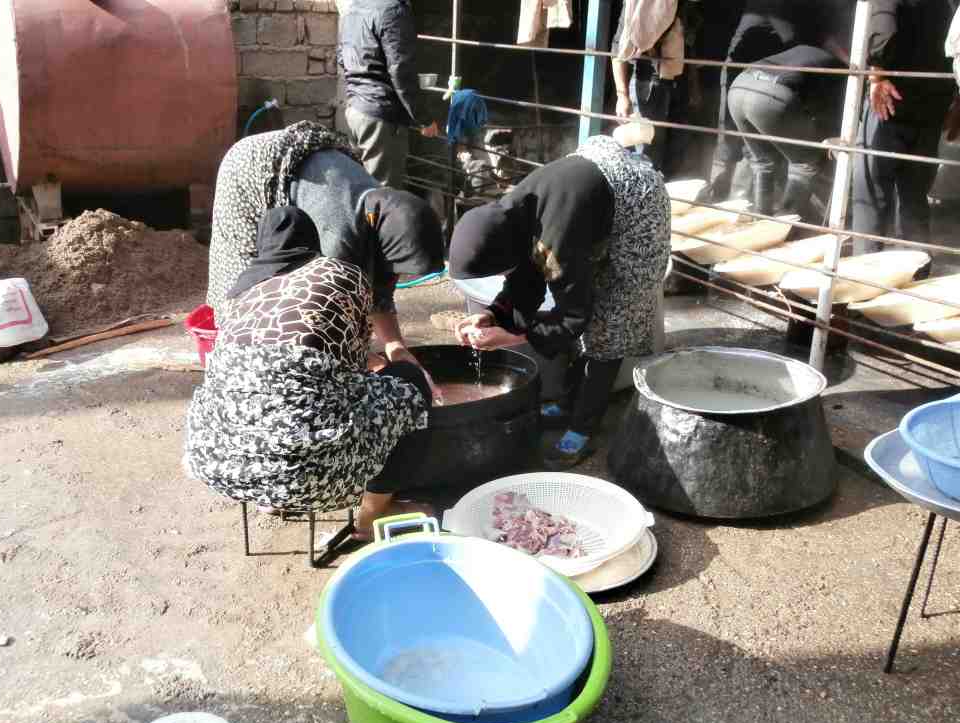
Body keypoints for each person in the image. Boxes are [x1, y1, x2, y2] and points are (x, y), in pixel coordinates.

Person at [186, 206, 431, 538]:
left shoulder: (234, 296)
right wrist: (394, 365)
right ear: (311, 241)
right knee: (409, 385)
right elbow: (354, 365)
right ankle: (373, 515)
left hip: (224, 464)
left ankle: (271, 498)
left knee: (271, 402)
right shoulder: (340, 275)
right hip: (315, 474)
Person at [448, 136, 670, 469]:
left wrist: (513, 337)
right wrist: (493, 316)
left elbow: (574, 316)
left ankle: (582, 429)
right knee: (571, 284)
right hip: (588, 190)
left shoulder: (553, 239)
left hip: (637, 202)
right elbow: (527, 275)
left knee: (611, 326)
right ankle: (567, 403)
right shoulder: (511, 213)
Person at [205, 121, 444, 386]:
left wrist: (395, 347)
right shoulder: (339, 235)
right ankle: (236, 365)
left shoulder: (384, 211)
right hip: (251, 168)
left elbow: (379, 290)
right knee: (248, 280)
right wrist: (366, 361)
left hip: (310, 164)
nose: (399, 274)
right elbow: (324, 311)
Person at [706, 0, 850, 202]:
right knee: (802, 163)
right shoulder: (778, 6)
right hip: (759, 83)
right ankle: (785, 218)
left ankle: (751, 213)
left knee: (757, 157)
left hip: (742, 81)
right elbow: (793, 38)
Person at [852, 0, 957, 255]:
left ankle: (864, 274)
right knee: (914, 196)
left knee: (872, 191)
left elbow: (884, 24)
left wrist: (877, 74)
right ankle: (916, 270)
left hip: (891, 99)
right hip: (933, 105)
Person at [727, 44, 847, 220]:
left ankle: (761, 217)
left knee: (763, 161)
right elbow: (833, 114)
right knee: (805, 163)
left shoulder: (805, 50)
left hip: (739, 87)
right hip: (769, 96)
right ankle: (785, 222)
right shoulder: (841, 71)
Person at [338, 0, 438, 187]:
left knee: (359, 189)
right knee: (384, 196)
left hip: (355, 111)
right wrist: (423, 118)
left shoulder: (353, 9)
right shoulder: (394, 11)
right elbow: (401, 71)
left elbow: (341, 57)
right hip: (381, 116)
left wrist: (356, 93)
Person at [611, 0, 704, 176]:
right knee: (647, 148)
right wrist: (621, 95)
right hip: (649, 78)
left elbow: (689, 46)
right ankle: (644, 197)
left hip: (679, 78)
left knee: (678, 145)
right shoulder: (638, 4)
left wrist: (694, 85)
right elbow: (618, 50)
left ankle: (664, 194)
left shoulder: (686, 7)